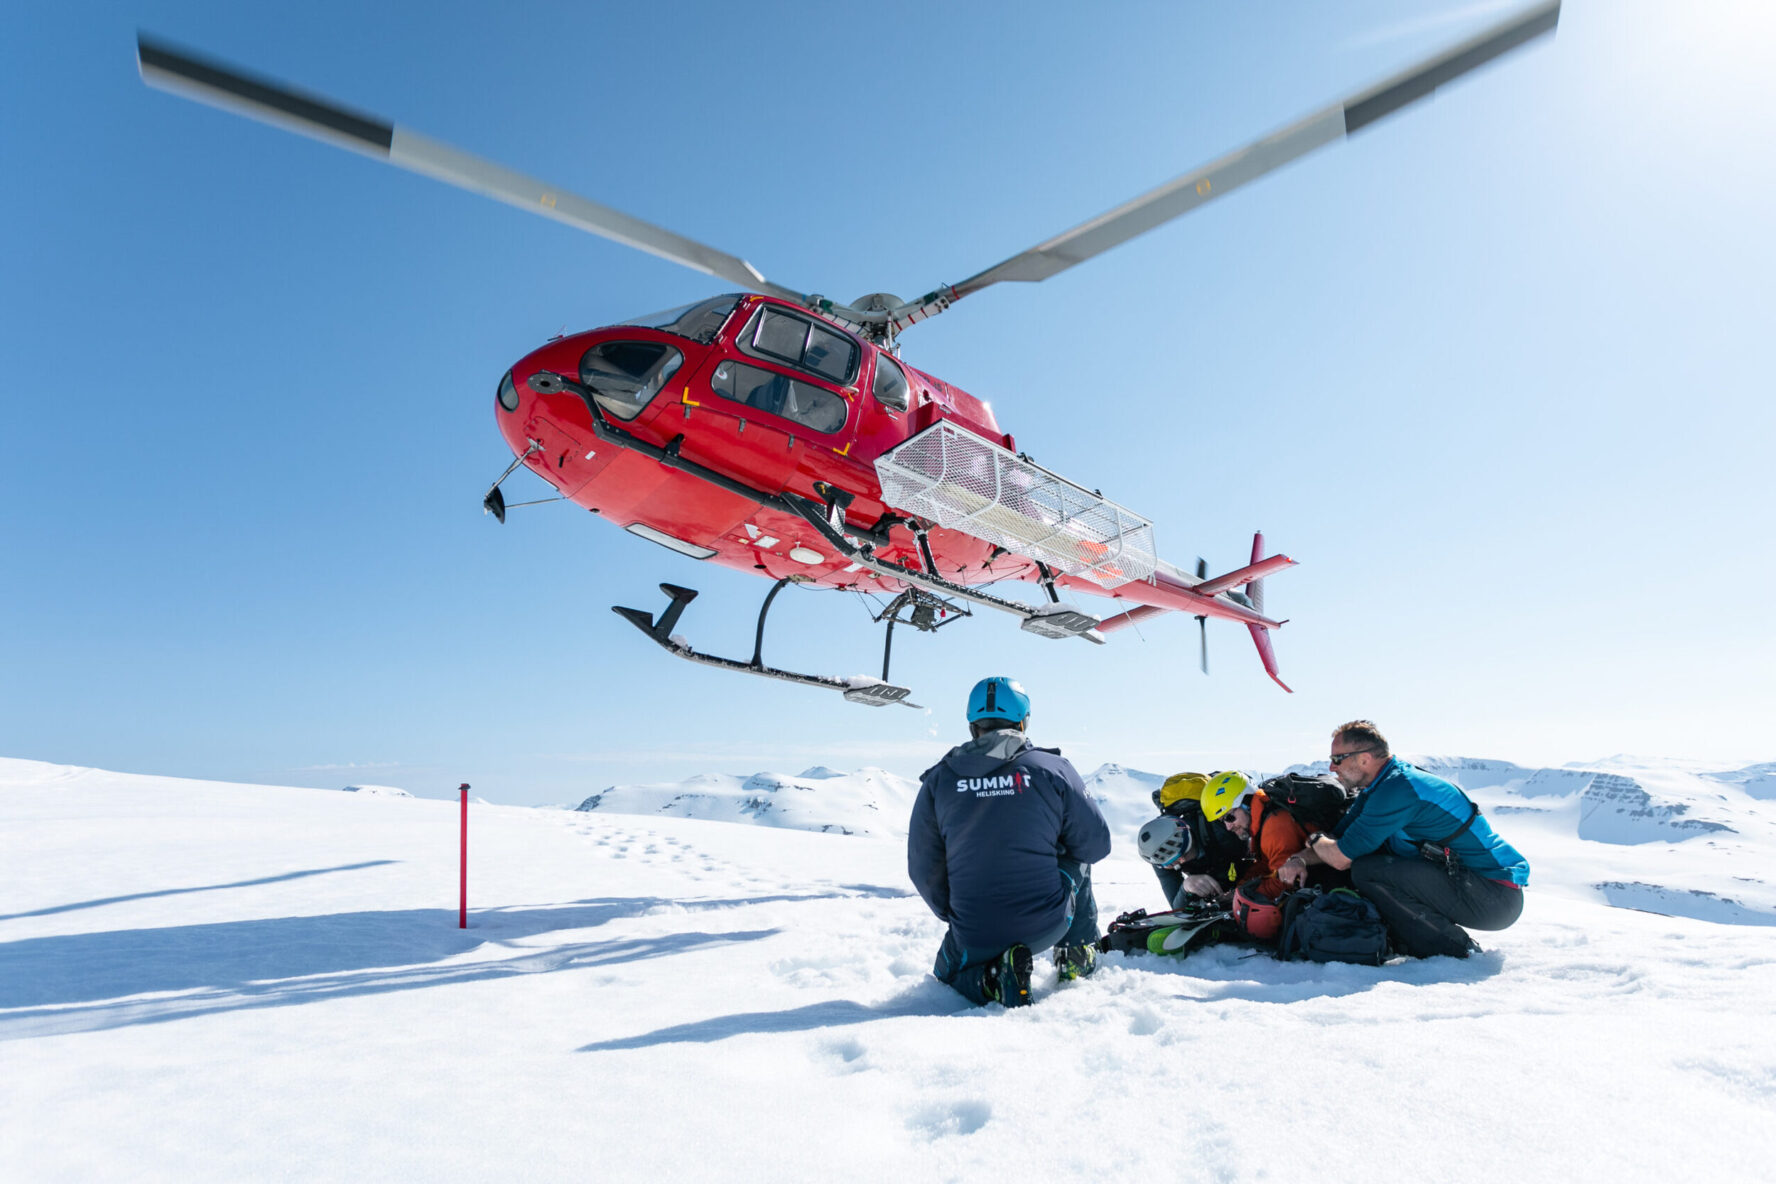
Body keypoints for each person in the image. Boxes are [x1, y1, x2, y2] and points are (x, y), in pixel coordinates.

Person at [908, 676, 1112, 1007]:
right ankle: (1075, 954)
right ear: (1023, 721)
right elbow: (1096, 845)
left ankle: (992, 981)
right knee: (1079, 859)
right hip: (1050, 922)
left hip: (975, 930)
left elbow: (922, 865)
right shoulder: (1053, 769)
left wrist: (958, 913)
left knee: (947, 973)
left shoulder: (939, 780)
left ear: (973, 726)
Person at [1282, 720, 1529, 958]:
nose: (1332, 768)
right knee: (1368, 861)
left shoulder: (1398, 789)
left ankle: (1455, 947)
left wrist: (1314, 838)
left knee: (1367, 869)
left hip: (1493, 897)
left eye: (1337, 759)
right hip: (1476, 887)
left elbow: (1339, 857)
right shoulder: (1381, 787)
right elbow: (1339, 841)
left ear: (1364, 759)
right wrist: (1299, 860)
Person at [1138, 772, 1249, 907]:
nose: (1181, 862)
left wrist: (1242, 891)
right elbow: (1177, 908)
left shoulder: (1221, 826)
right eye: (1174, 863)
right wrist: (1186, 887)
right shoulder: (1158, 856)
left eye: (1183, 854)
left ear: (1189, 837)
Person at [1200, 771, 1311, 902]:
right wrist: (1239, 889)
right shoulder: (1263, 822)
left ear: (1246, 803)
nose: (1228, 827)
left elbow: (1286, 882)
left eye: (1230, 817)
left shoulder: (1275, 827)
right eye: (1222, 821)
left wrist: (1241, 896)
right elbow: (1266, 864)